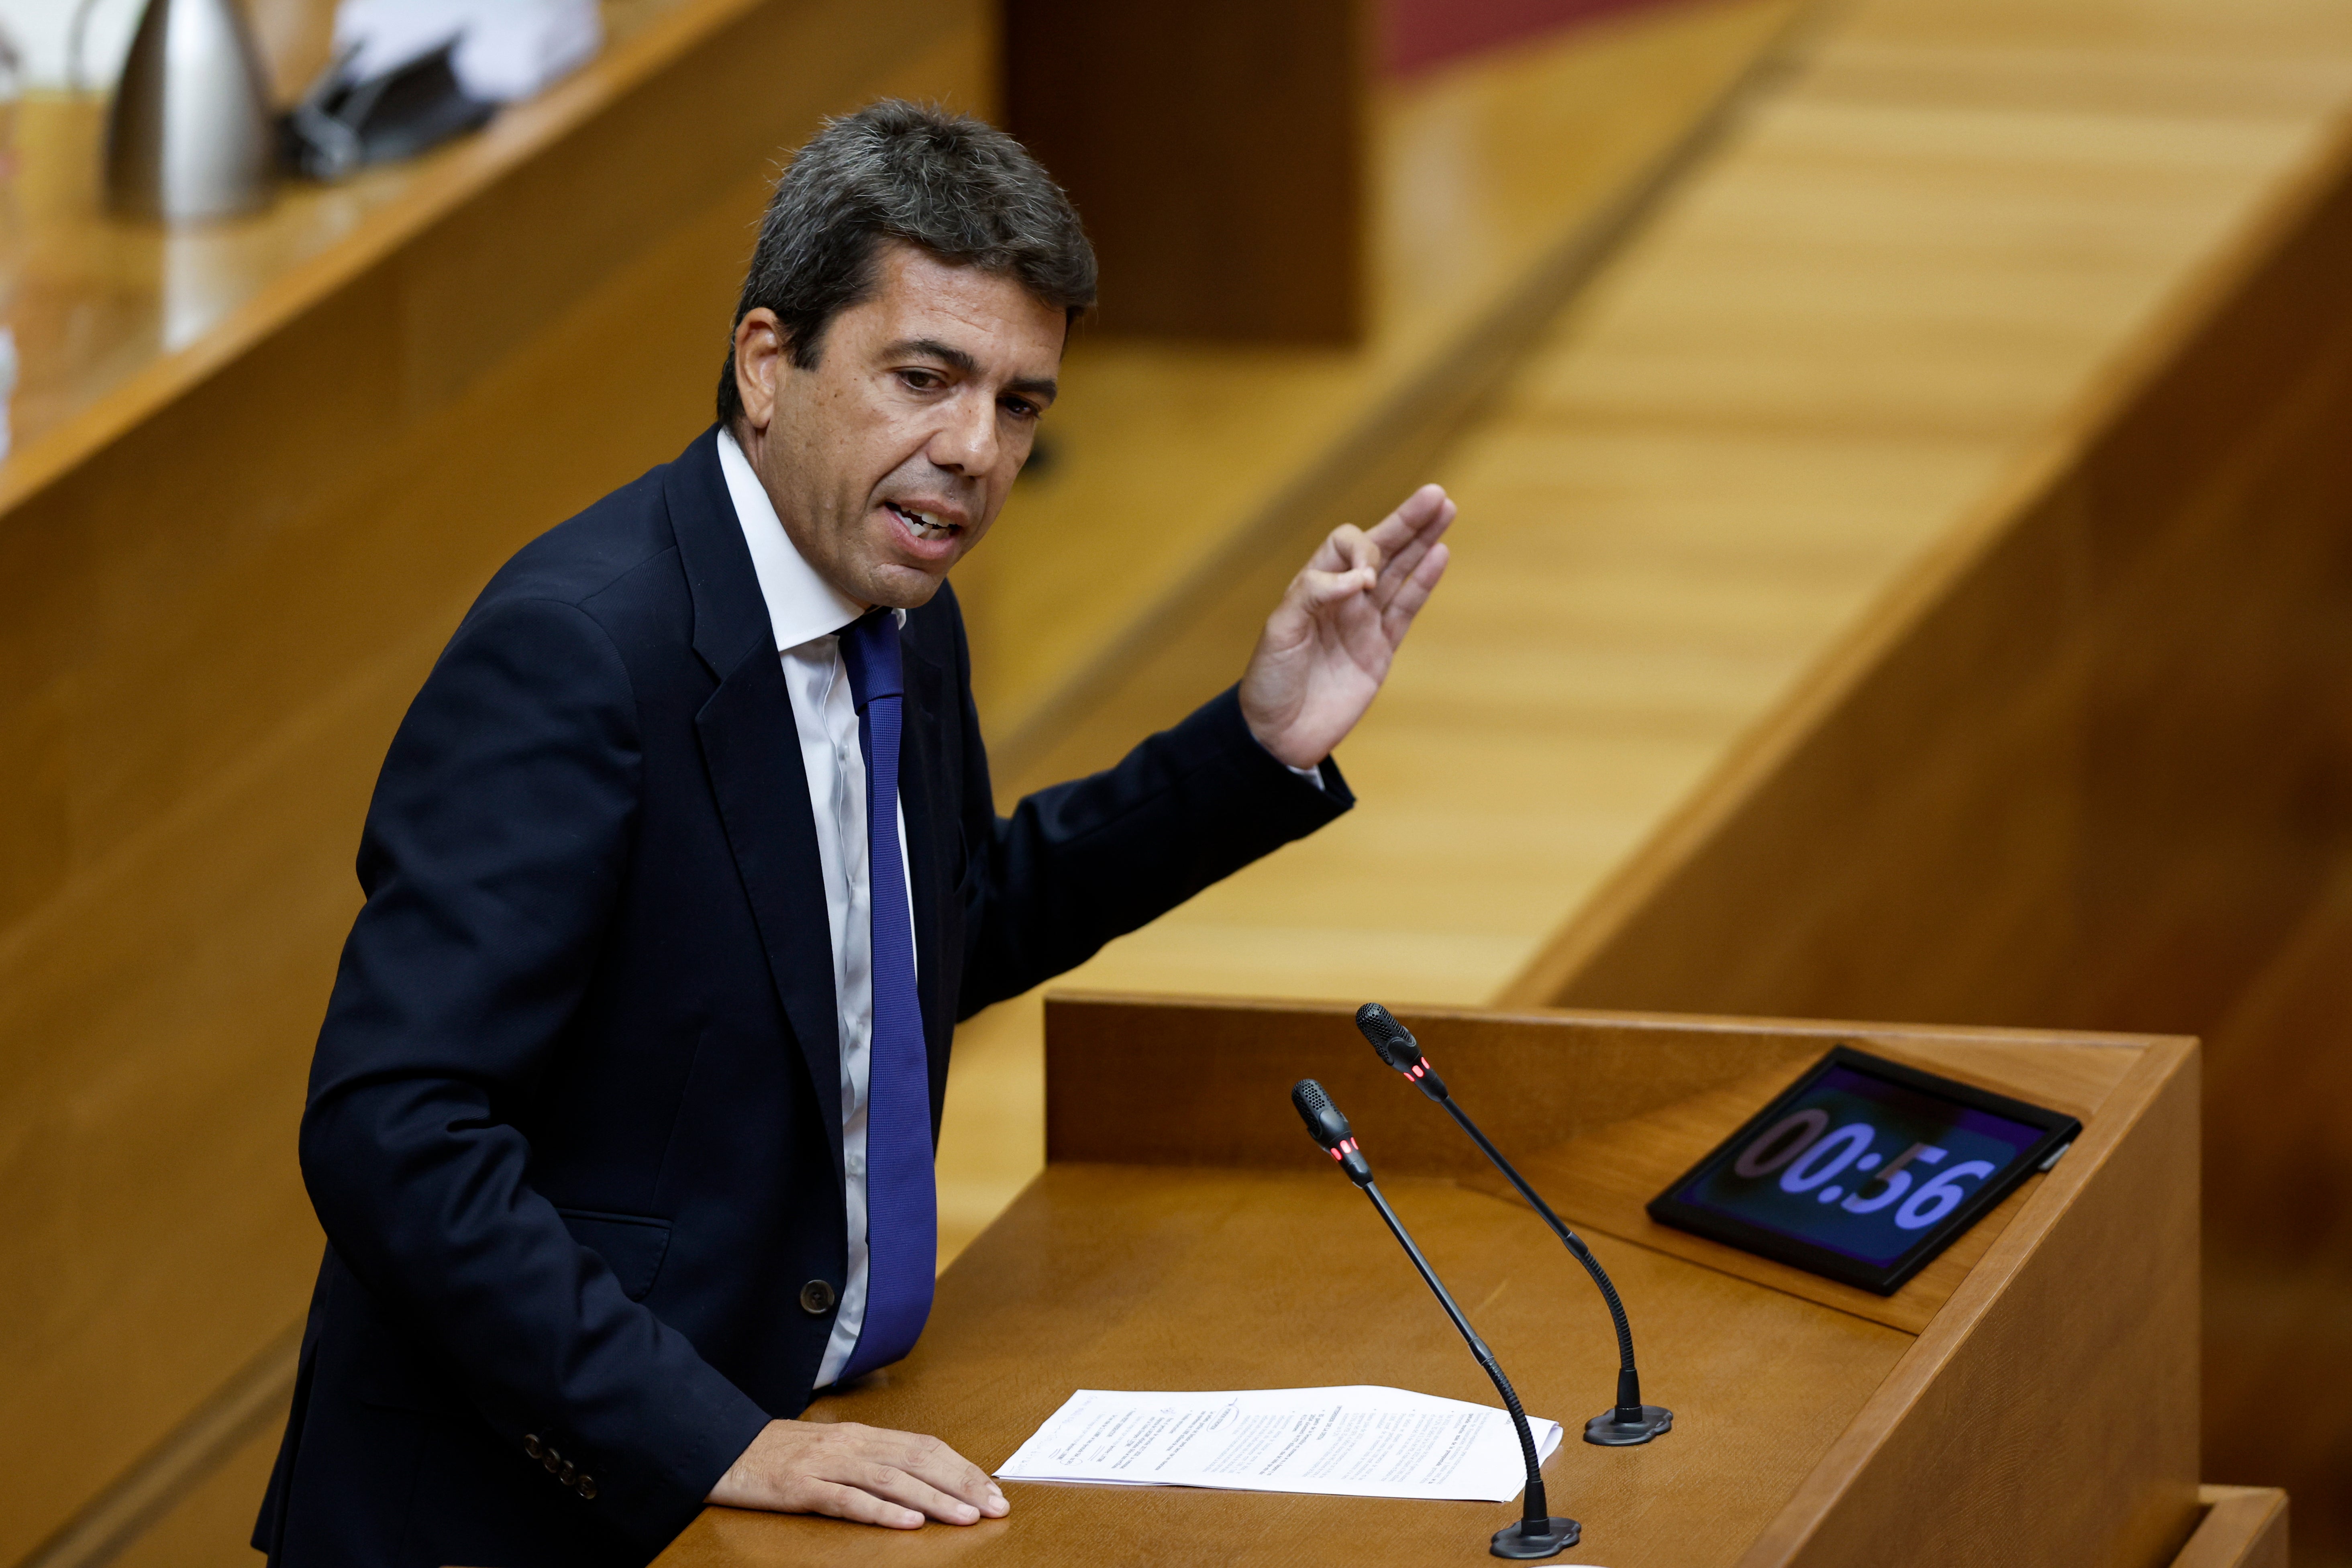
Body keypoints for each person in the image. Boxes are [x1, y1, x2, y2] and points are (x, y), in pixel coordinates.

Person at [253, 100, 1451, 1568]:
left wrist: (1255, 747)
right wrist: (718, 1437)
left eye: (1019, 405)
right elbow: (395, 1133)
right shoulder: (578, 652)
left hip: (802, 1449)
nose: (972, 450)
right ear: (770, 363)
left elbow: (928, 929)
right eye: (925, 377)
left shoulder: (891, 599)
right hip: (538, 1505)